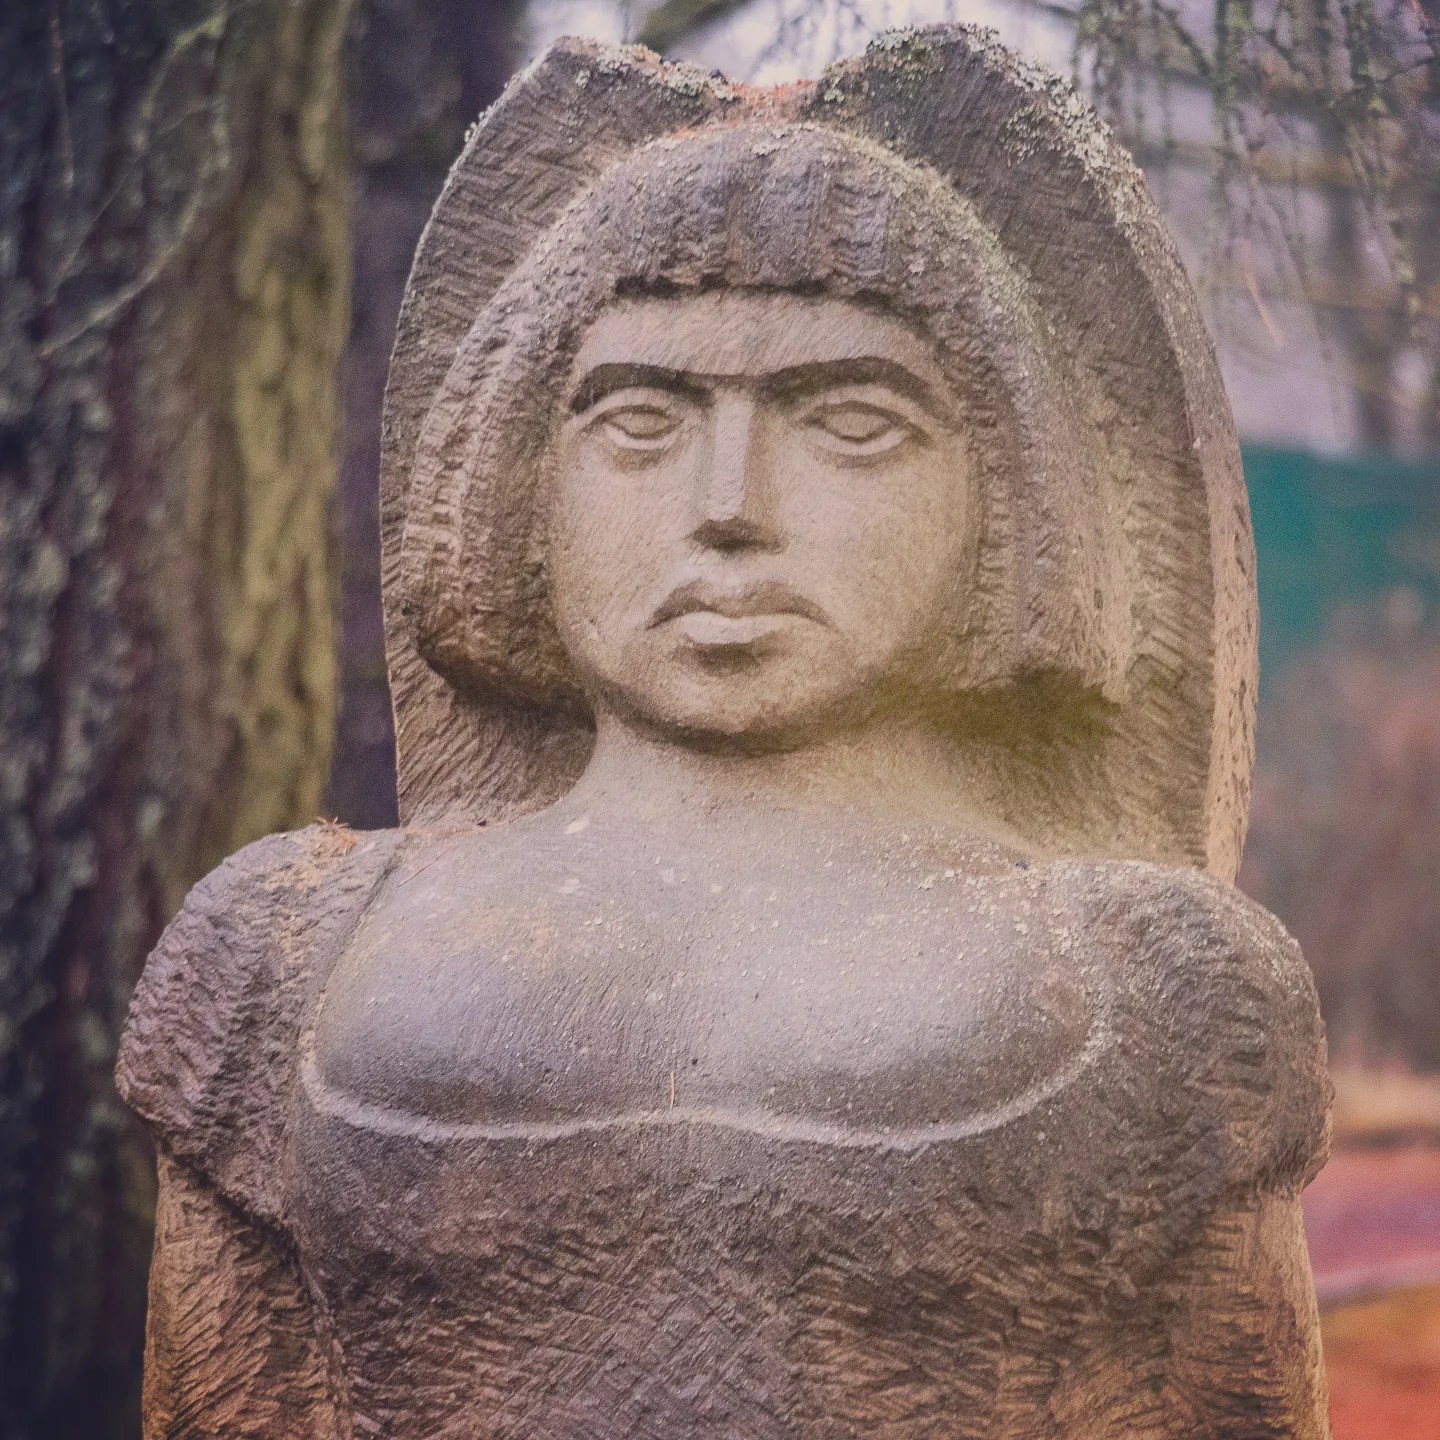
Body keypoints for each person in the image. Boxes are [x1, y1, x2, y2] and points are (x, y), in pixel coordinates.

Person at [119, 32, 1330, 1439]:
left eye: (852, 422)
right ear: (514, 479)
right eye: (639, 419)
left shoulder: (1154, 986)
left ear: (1008, 492)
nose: (731, 503)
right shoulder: (279, 956)